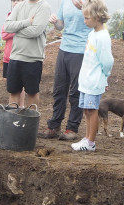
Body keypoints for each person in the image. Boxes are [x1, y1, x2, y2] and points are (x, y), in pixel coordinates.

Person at [38, 0, 92, 141]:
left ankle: (72, 128)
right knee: (59, 89)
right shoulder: (66, 2)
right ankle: (54, 126)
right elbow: (60, 26)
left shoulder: (91, 2)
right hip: (64, 48)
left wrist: (85, 7)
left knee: (75, 91)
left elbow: (98, 20)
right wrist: (55, 22)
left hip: (81, 49)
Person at [71, 0, 113, 152]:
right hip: (86, 81)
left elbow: (107, 61)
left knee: (92, 110)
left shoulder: (103, 36)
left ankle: (91, 142)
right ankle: (87, 137)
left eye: (87, 18)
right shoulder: (92, 33)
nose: (85, 21)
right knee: (86, 110)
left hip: (94, 81)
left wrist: (105, 76)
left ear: (97, 17)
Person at [4, 0, 51, 107]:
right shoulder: (19, 6)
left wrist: (16, 29)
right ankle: (13, 121)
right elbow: (7, 27)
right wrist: (26, 22)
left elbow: (35, 31)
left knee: (32, 92)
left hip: (33, 59)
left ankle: (31, 122)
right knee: (13, 91)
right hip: (15, 57)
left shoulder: (44, 7)